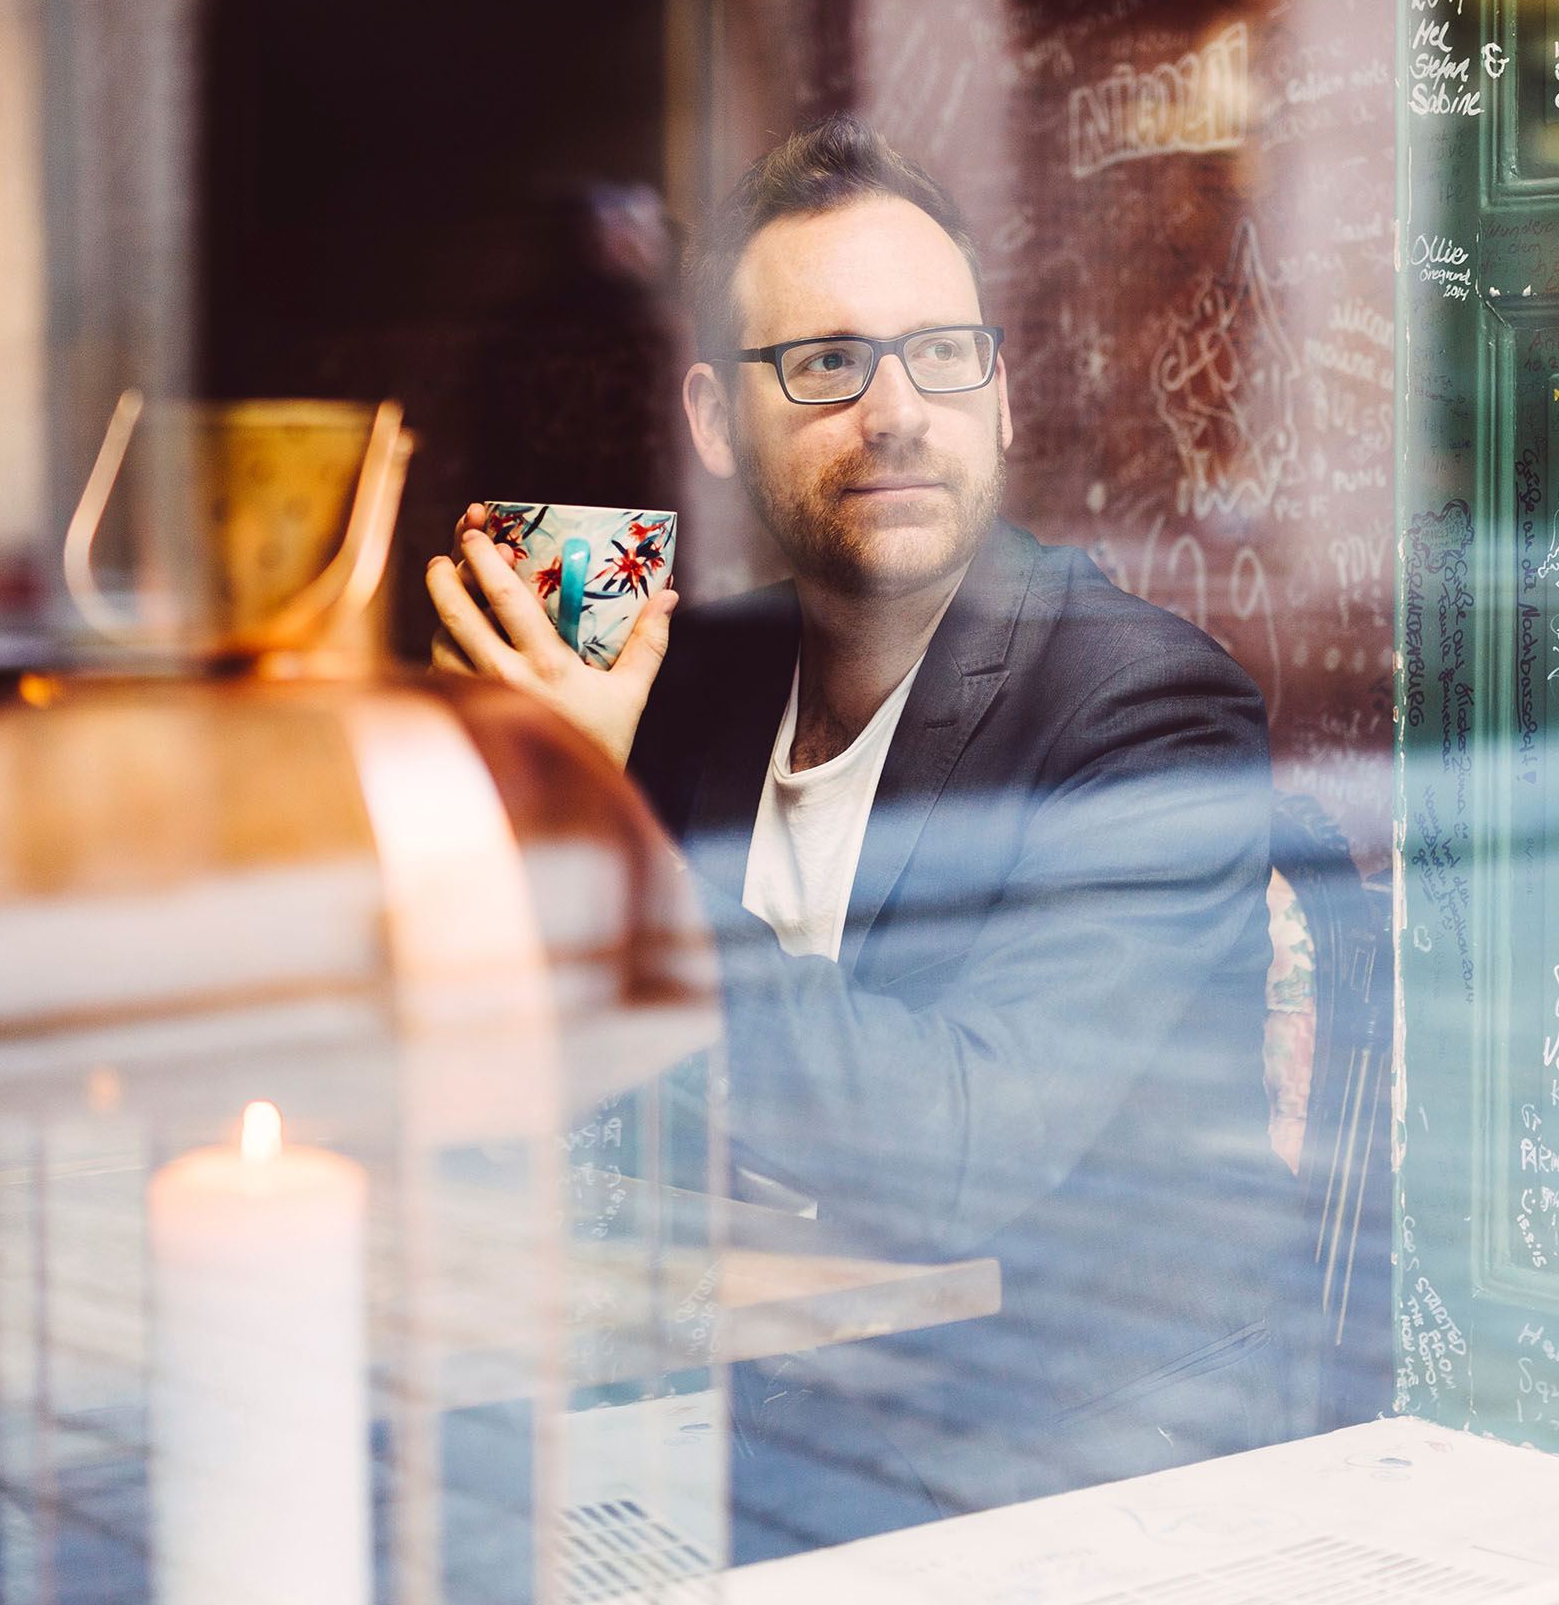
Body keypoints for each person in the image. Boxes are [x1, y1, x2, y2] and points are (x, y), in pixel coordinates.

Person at [426, 118, 1297, 1554]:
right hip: (751, 1420)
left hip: (1069, 1475)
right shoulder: (693, 676)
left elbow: (944, 1155)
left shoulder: (1147, 709)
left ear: (999, 398)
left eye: (943, 354)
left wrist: (600, 828)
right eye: (827, 362)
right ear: (717, 419)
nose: (896, 410)